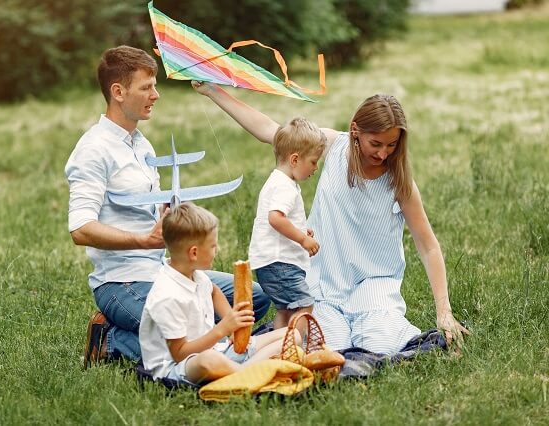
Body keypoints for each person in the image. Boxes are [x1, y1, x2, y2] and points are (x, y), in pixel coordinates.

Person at [192, 81, 470, 355]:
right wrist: (213, 91)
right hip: (323, 284)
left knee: (382, 345)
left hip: (374, 285)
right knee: (326, 346)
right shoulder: (334, 146)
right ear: (355, 132)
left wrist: (443, 312)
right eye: (376, 143)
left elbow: (428, 245)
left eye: (392, 145)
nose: (383, 153)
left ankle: (378, 326)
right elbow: (270, 131)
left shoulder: (399, 181)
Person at [64, 45, 270, 368]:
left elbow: (158, 212)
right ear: (118, 92)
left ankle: (173, 341)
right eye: (146, 87)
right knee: (188, 336)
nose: (156, 95)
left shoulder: (141, 143)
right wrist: (143, 241)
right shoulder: (93, 150)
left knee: (254, 298)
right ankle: (110, 340)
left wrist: (173, 214)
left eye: (154, 85)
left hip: (163, 272)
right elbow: (80, 229)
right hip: (121, 283)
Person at [140, 203, 294, 385]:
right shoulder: (167, 296)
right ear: (194, 253)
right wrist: (222, 329)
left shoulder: (195, 275)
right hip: (180, 367)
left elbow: (213, 291)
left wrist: (233, 323)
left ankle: (247, 368)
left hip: (217, 350)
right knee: (209, 361)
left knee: (292, 335)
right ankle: (248, 373)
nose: (217, 250)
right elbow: (180, 353)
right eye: (213, 246)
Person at [249, 117, 325, 331]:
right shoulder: (284, 187)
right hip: (280, 262)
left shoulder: (279, 182)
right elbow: (275, 218)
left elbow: (282, 219)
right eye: (313, 161)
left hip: (270, 261)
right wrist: (302, 239)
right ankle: (295, 349)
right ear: (294, 159)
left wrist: (300, 230)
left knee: (286, 308)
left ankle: (279, 346)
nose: (316, 167)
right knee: (304, 306)